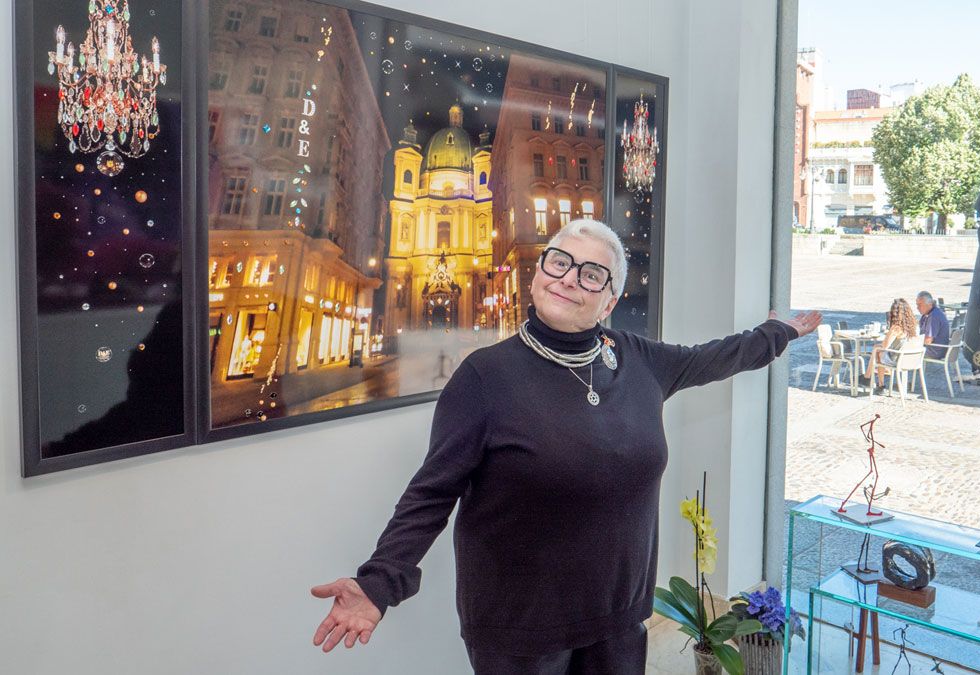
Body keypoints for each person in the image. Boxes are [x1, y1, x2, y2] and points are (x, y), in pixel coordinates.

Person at [309, 219, 821, 674]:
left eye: (592, 274)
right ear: (538, 273)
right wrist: (380, 583)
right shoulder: (485, 378)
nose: (569, 278)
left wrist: (775, 334)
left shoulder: (637, 359)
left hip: (618, 616)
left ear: (610, 300)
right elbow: (431, 493)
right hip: (521, 633)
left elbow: (712, 359)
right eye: (560, 262)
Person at [861, 298, 918, 394]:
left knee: (877, 349)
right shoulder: (913, 326)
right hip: (910, 358)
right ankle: (873, 381)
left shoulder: (896, 328)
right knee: (878, 351)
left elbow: (884, 346)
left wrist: (888, 333)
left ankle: (870, 379)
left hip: (896, 359)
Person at [915, 291, 950, 360]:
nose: (917, 307)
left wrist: (912, 342)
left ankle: (901, 368)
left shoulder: (933, 316)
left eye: (920, 305)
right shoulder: (933, 312)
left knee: (904, 349)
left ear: (930, 304)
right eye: (917, 305)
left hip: (935, 351)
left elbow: (928, 340)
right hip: (939, 349)